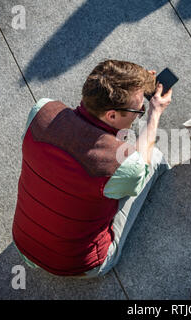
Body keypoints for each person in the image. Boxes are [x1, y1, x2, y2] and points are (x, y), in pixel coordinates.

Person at [12, 60, 172, 277]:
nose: (140, 112)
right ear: (112, 115)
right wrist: (154, 114)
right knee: (153, 158)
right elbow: (139, 168)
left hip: (23, 243)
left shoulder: (42, 110)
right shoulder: (121, 165)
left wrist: (136, 81)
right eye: (139, 110)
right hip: (79, 265)